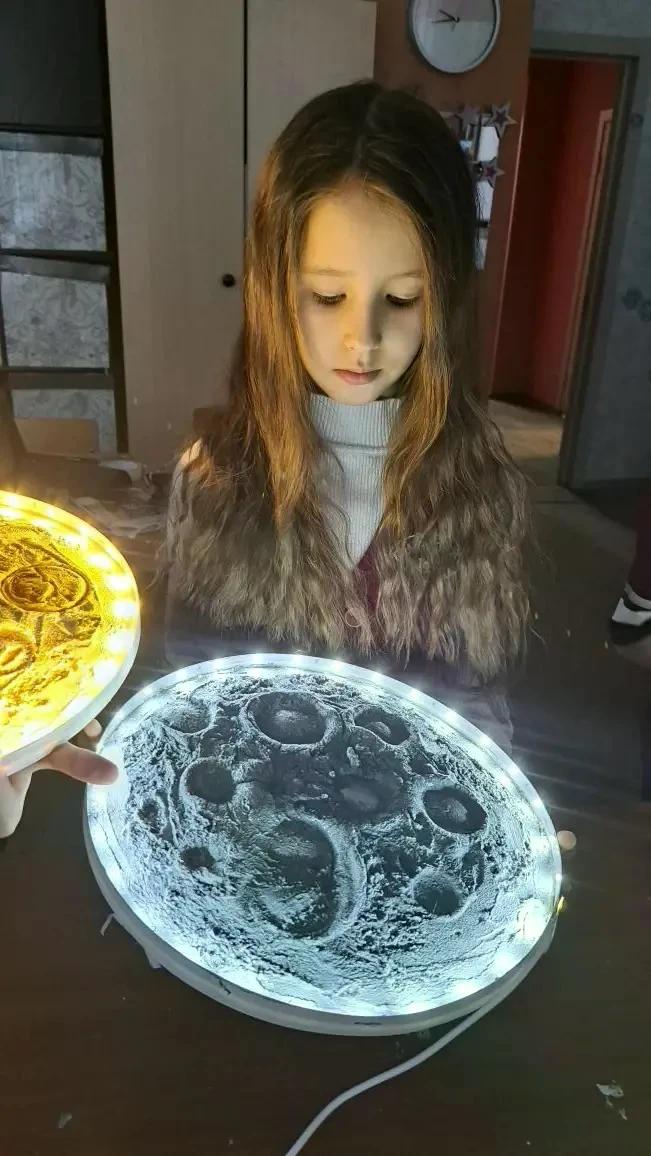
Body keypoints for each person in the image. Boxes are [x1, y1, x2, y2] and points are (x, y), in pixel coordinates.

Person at [2, 81, 529, 839]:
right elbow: (189, 699)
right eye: (327, 297)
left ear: (445, 296)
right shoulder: (215, 482)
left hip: (402, 860)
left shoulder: (484, 497)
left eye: (402, 299)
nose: (362, 338)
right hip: (252, 851)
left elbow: (479, 707)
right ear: (274, 289)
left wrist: (500, 816)